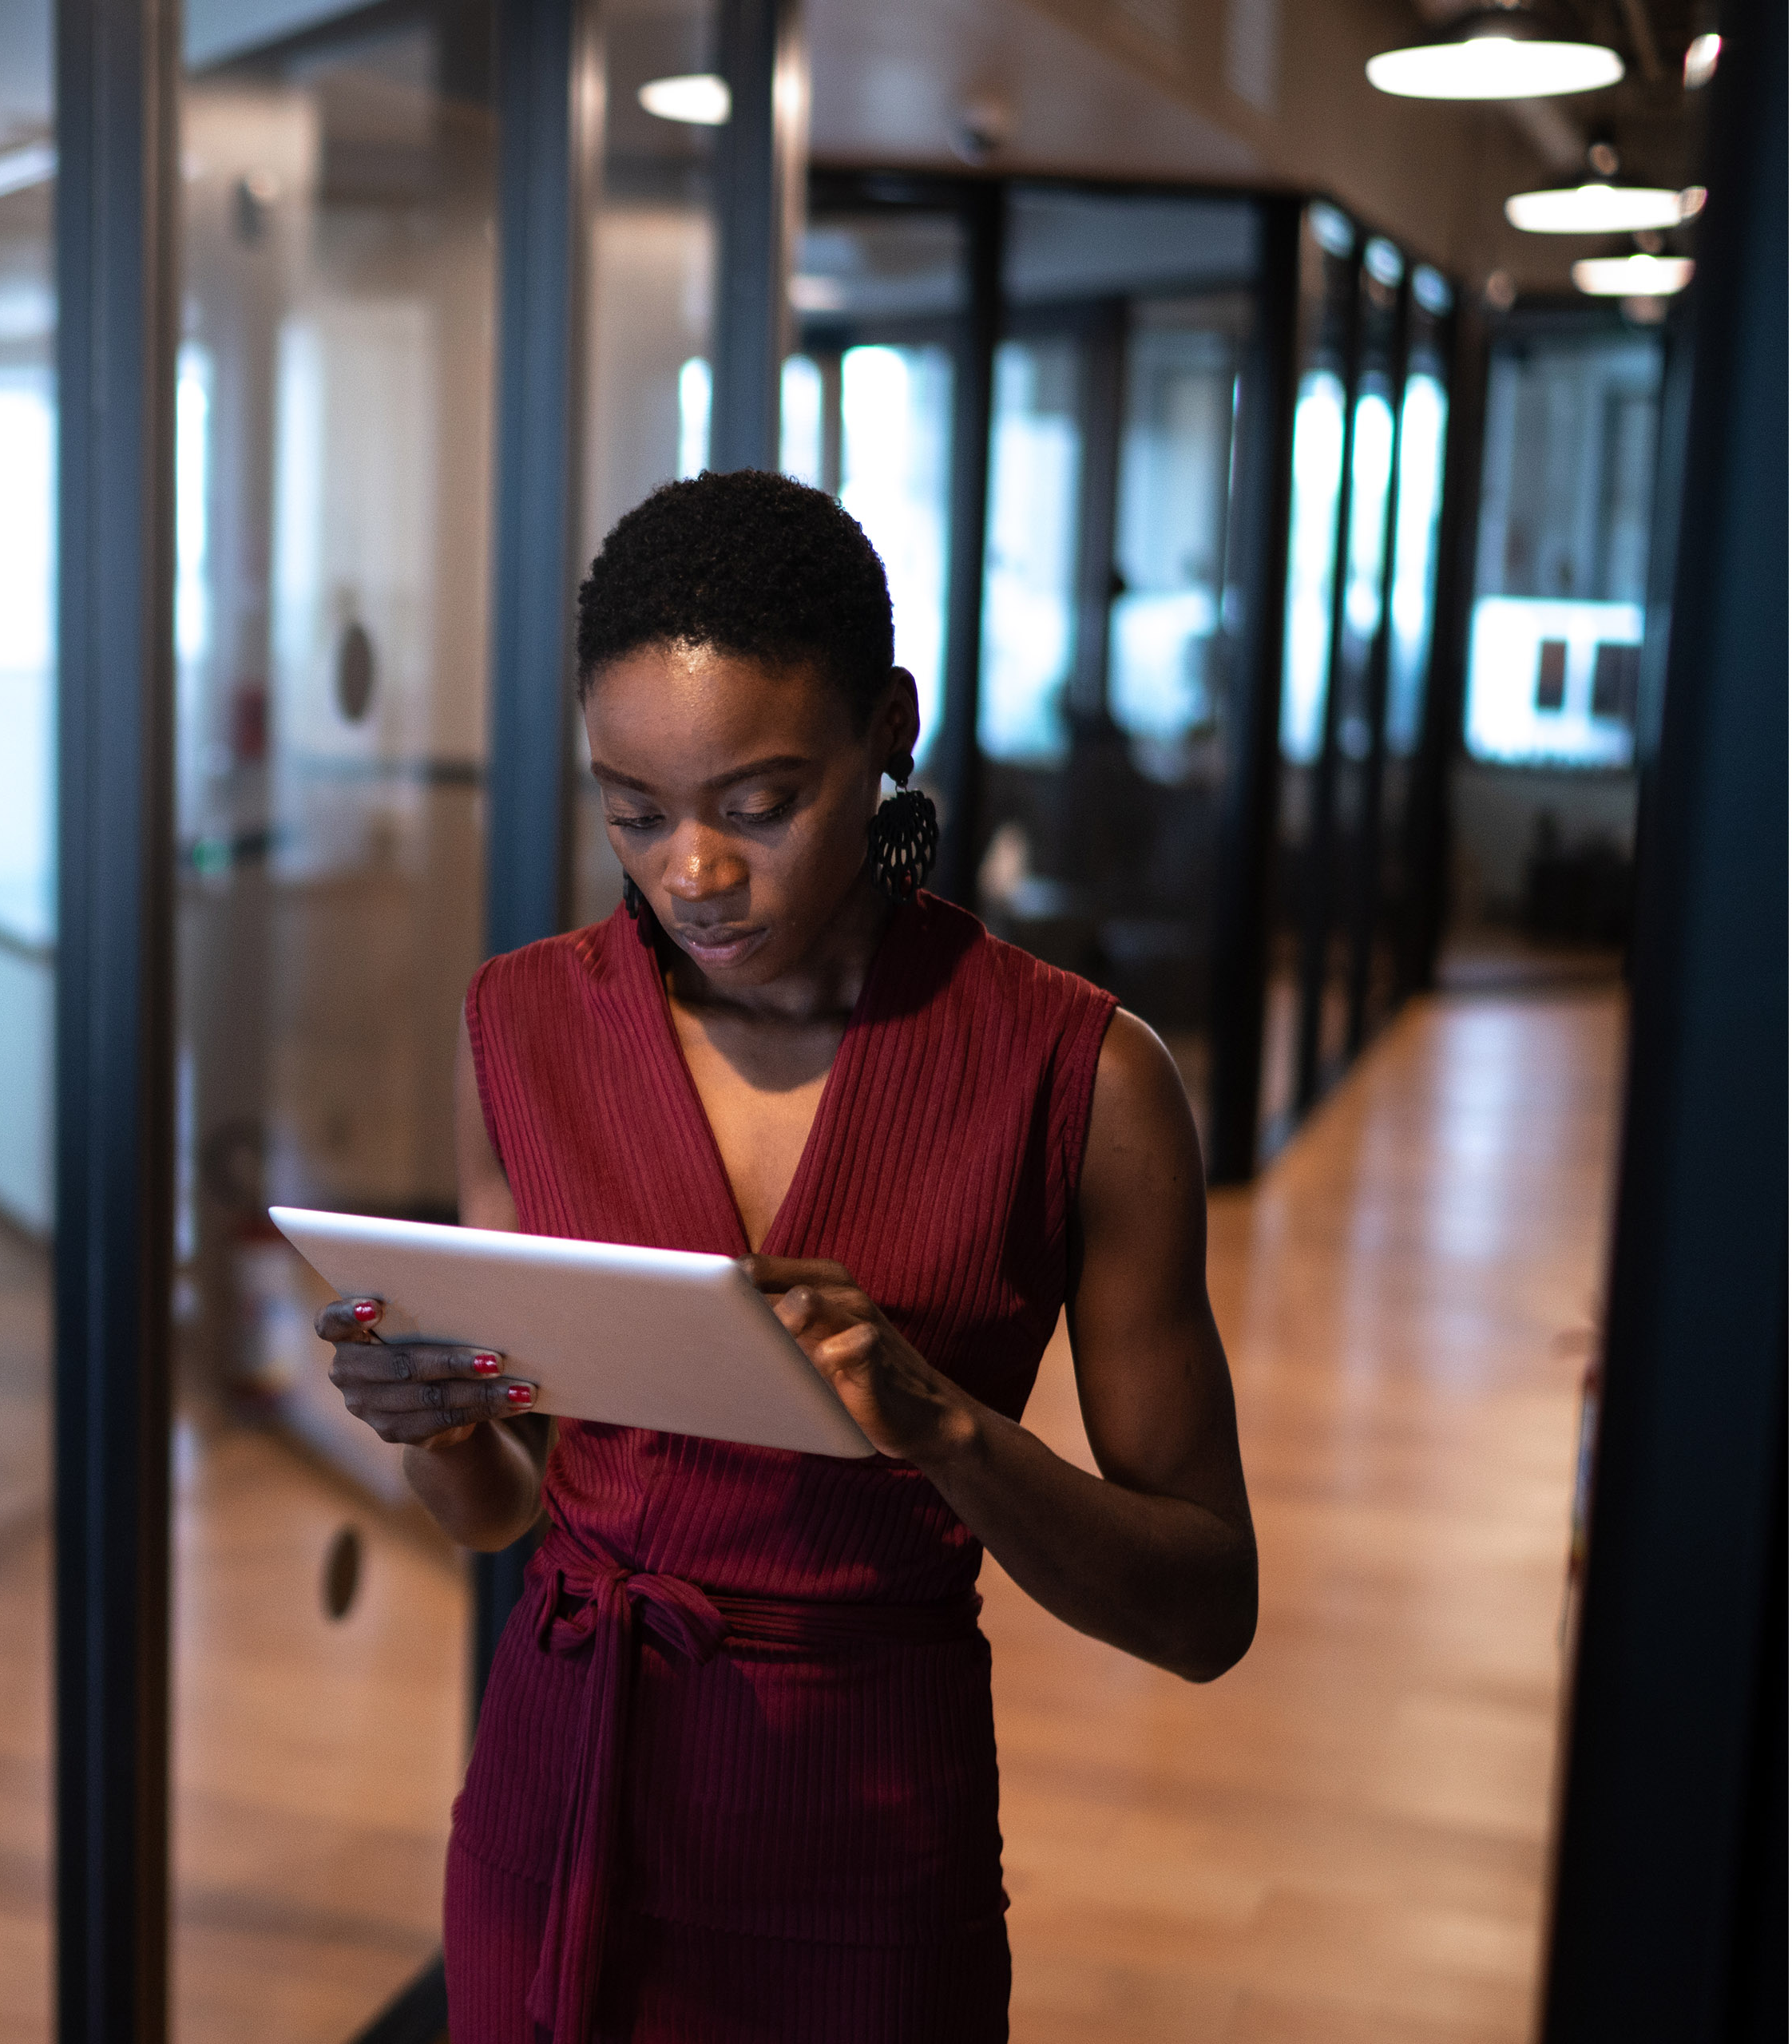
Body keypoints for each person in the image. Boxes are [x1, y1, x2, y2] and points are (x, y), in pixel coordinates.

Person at [319, 471, 1255, 2042]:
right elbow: (505, 1511)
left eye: (758, 802)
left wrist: (946, 1427)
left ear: (891, 722)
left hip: (864, 1833)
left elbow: (1205, 1605)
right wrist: (443, 1430)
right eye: (636, 811)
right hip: (559, 1790)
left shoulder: (1078, 1077)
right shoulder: (527, 1025)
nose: (693, 870)